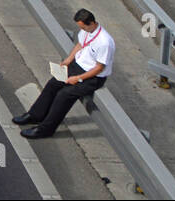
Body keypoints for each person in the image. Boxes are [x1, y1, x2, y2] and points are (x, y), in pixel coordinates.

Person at [13, 9, 114, 139]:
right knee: (53, 84)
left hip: (92, 76)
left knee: (64, 95)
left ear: (92, 23)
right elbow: (80, 45)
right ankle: (35, 115)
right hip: (77, 65)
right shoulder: (86, 30)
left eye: (83, 27)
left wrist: (77, 78)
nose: (81, 29)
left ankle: (46, 129)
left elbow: (99, 68)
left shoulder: (105, 42)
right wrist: (68, 60)